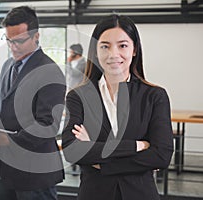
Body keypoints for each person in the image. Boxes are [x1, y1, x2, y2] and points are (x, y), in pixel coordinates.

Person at [62, 14, 173, 200]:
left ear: (134, 49)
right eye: (105, 46)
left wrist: (97, 155)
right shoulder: (78, 97)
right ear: (96, 51)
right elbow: (72, 151)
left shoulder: (154, 96)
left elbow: (161, 155)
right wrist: (139, 145)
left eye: (122, 45)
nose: (113, 54)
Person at [0, 6, 65, 200]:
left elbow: (48, 124)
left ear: (36, 36)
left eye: (19, 41)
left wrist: (9, 140)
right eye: (8, 40)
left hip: (35, 173)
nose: (13, 47)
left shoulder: (50, 71)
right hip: (6, 170)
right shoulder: (8, 65)